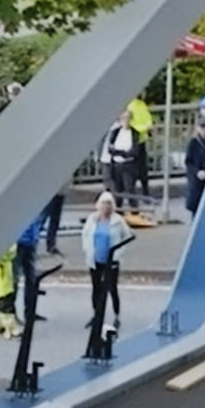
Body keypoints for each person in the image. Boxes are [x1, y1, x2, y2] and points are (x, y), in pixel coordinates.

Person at [82, 194, 132, 359]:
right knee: (96, 288)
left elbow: (128, 237)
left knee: (112, 288)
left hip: (111, 260)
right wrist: (87, 251)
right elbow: (85, 236)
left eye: (109, 204)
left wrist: (119, 254)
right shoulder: (92, 220)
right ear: (98, 206)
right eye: (103, 204)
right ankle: (96, 315)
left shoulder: (118, 221)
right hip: (95, 259)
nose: (106, 207)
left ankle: (116, 315)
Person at [124, 91, 154, 200]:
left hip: (141, 141)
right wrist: (145, 128)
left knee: (143, 170)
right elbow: (131, 124)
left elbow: (148, 118)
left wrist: (149, 125)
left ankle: (145, 193)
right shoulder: (131, 106)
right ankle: (133, 195)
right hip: (134, 141)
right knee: (133, 170)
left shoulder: (141, 104)